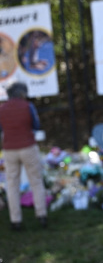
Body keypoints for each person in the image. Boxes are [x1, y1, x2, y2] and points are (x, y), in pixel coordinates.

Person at [0, 82, 48, 230]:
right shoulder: (28, 106)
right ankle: (41, 215)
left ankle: (16, 220)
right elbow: (36, 125)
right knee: (36, 181)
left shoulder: (2, 109)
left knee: (12, 184)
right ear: (22, 93)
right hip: (28, 146)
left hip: (9, 149)